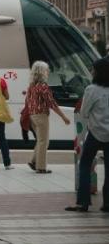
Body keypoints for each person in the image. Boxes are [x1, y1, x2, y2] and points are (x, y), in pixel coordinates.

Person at [66, 58, 109, 213]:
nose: (91, 71)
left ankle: (83, 202)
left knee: (84, 165)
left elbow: (84, 112)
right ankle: (107, 204)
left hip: (95, 133)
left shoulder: (91, 89)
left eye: (93, 69)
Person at [24, 61, 71, 174]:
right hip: (41, 116)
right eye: (47, 69)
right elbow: (52, 104)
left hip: (32, 115)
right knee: (43, 141)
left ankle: (34, 161)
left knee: (41, 140)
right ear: (42, 72)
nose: (48, 71)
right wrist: (64, 117)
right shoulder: (43, 86)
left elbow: (27, 101)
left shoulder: (32, 86)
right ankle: (41, 167)